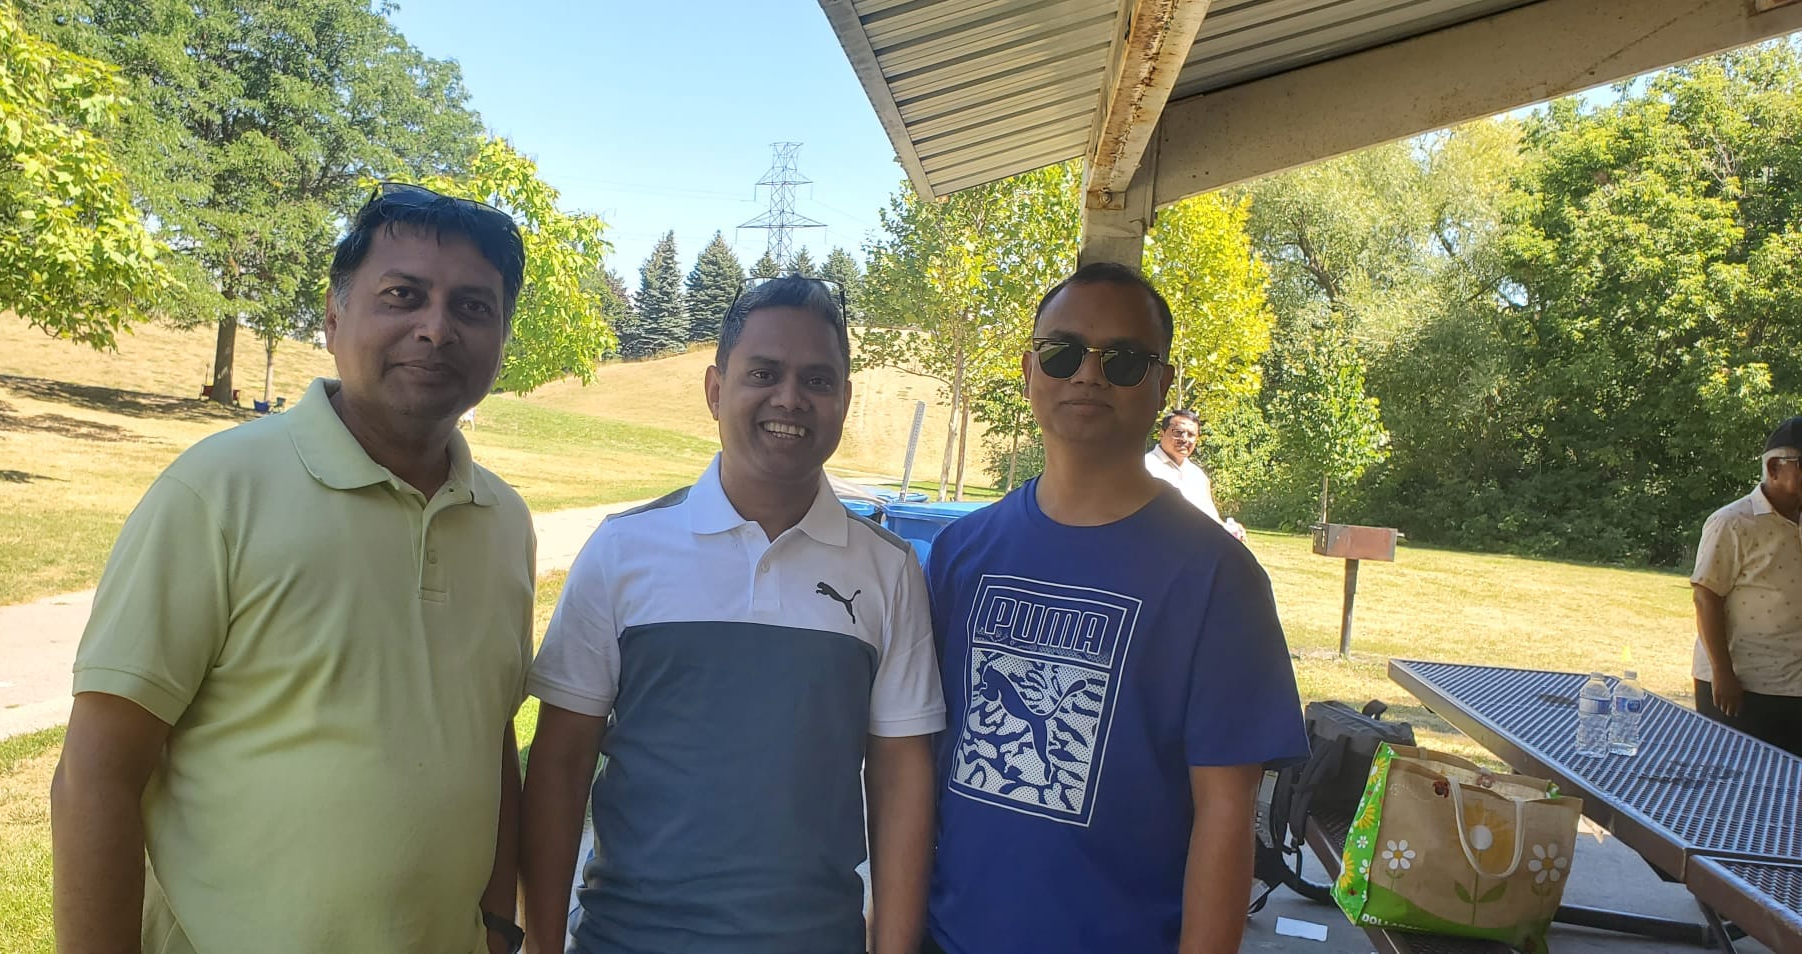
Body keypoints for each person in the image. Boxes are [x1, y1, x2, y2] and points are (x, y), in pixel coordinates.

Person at [51, 184, 533, 954]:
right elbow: (95, 777)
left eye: (473, 307)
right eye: (403, 295)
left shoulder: (503, 521)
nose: (436, 328)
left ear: (502, 337)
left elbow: (489, 736)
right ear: (335, 317)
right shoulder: (215, 491)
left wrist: (500, 927)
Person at [521, 276, 945, 954]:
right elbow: (559, 764)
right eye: (764, 373)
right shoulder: (624, 550)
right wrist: (542, 945)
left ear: (843, 400)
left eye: (817, 380)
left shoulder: (889, 570)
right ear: (716, 390)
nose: (790, 399)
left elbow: (901, 780)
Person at [921, 263, 1307, 954]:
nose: (1088, 374)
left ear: (1161, 384)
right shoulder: (960, 554)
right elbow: (917, 768)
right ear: (1029, 369)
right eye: (1063, 352)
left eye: (1123, 359)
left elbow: (1226, 814)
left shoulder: (1219, 579)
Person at [1690, 416, 1802, 755]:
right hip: (1743, 686)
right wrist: (1722, 674)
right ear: (1773, 467)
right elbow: (1706, 597)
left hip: (1795, 686)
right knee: (1737, 779)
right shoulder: (1732, 522)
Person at [1146, 407, 1246, 540]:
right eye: (1178, 432)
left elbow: (1211, 518)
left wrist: (1230, 529)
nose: (1184, 439)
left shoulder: (1198, 475)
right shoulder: (1144, 467)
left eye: (1191, 435)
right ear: (1162, 433)